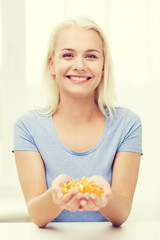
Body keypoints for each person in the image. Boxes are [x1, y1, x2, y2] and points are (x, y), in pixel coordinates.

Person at [13, 18, 142, 228]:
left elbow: (121, 214)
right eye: (68, 55)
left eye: (91, 56)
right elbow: (37, 215)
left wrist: (105, 197)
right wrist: (56, 197)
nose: (80, 65)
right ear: (52, 65)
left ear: (103, 67)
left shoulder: (127, 124)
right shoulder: (27, 126)